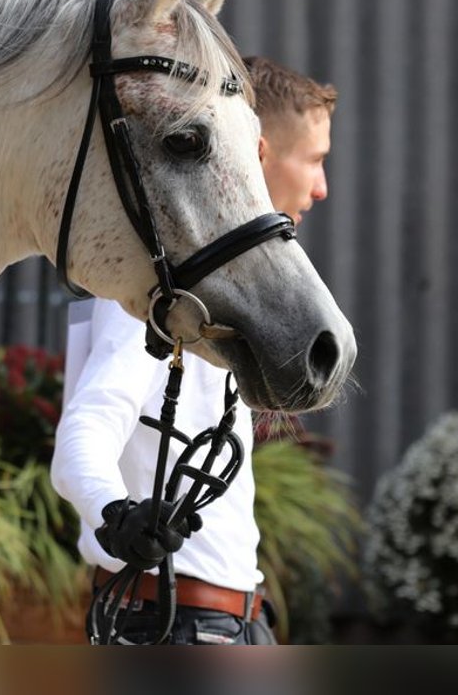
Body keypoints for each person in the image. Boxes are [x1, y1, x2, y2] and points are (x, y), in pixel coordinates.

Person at [51, 55, 337, 645]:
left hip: (220, 622)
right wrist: (114, 513)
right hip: (180, 626)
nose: (321, 186)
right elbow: (85, 429)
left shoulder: (214, 298)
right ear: (256, 153)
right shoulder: (161, 301)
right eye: (314, 160)